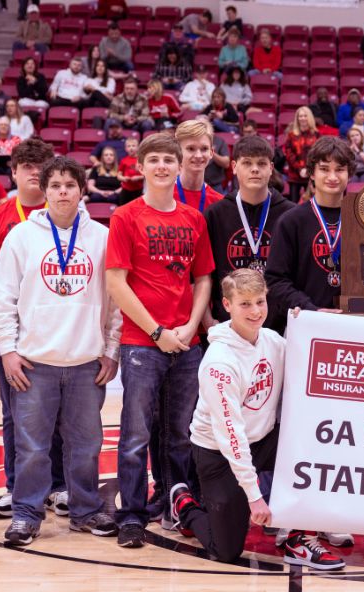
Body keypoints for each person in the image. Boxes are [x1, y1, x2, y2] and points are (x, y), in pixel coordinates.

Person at [0, 156, 121, 545]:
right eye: (56, 185)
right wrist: (8, 350)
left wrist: (111, 350)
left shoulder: (101, 237)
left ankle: (85, 510)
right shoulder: (22, 237)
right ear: (44, 191)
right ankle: (26, 515)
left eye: (70, 185)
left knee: (86, 447)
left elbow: (116, 303)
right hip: (34, 363)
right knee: (31, 448)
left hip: (85, 363)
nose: (63, 192)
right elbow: (1, 299)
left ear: (82, 191)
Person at [170, 269, 346, 569]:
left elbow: (309, 359)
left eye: (260, 302)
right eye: (245, 304)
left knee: (317, 444)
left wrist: (309, 325)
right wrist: (254, 497)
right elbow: (231, 436)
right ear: (227, 305)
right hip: (219, 454)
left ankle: (299, 537)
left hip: (262, 441)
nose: (255, 312)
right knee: (224, 550)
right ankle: (184, 505)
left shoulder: (272, 341)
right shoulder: (219, 363)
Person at [105, 132, 215, 548]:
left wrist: (189, 327)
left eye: (170, 159)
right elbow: (116, 282)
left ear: (178, 164)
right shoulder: (125, 216)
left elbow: (202, 277)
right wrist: (156, 331)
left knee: (181, 434)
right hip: (142, 343)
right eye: (155, 160)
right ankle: (131, 514)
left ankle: (175, 506)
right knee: (135, 435)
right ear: (141, 166)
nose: (163, 167)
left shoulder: (194, 219)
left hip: (186, 343)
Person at [0, 138, 67, 518]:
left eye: (42, 167)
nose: (35, 173)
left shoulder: (69, 216)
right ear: (13, 172)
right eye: (27, 167)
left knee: (60, 414)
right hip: (13, 333)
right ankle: (15, 485)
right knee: (12, 412)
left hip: (58, 330)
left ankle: (60, 485)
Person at [203, 135, 295, 325]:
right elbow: (204, 275)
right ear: (234, 167)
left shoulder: (291, 215)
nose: (255, 169)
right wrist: (207, 320)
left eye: (261, 163)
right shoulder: (215, 214)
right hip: (226, 324)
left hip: (278, 326)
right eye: (247, 163)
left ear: (271, 168)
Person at [266, 136, 353, 317]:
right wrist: (310, 309)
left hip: (353, 322)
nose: (332, 177)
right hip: (305, 321)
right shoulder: (291, 221)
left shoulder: (361, 220)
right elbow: (275, 280)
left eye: (340, 170)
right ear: (312, 173)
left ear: (349, 174)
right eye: (324, 169)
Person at [173, 118, 223, 213]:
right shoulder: (163, 198)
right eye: (191, 149)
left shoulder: (219, 202)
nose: (198, 156)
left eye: (204, 149)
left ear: (211, 152)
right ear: (178, 152)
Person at [282, 106, 320, 202]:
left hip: (311, 175)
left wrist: (308, 169)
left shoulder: (316, 134)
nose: (302, 118)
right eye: (300, 116)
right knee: (293, 203)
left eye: (305, 116)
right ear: (297, 118)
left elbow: (318, 153)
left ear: (309, 117)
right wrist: (299, 169)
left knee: (312, 203)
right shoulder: (291, 135)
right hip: (294, 175)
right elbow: (289, 154)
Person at [116, 136, 143, 205]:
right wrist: (123, 178)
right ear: (125, 149)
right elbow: (119, 175)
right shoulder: (124, 160)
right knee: (123, 206)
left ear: (138, 147)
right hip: (126, 189)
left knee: (137, 207)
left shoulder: (141, 160)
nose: (131, 148)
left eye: (133, 146)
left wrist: (139, 177)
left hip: (138, 189)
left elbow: (146, 175)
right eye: (129, 146)